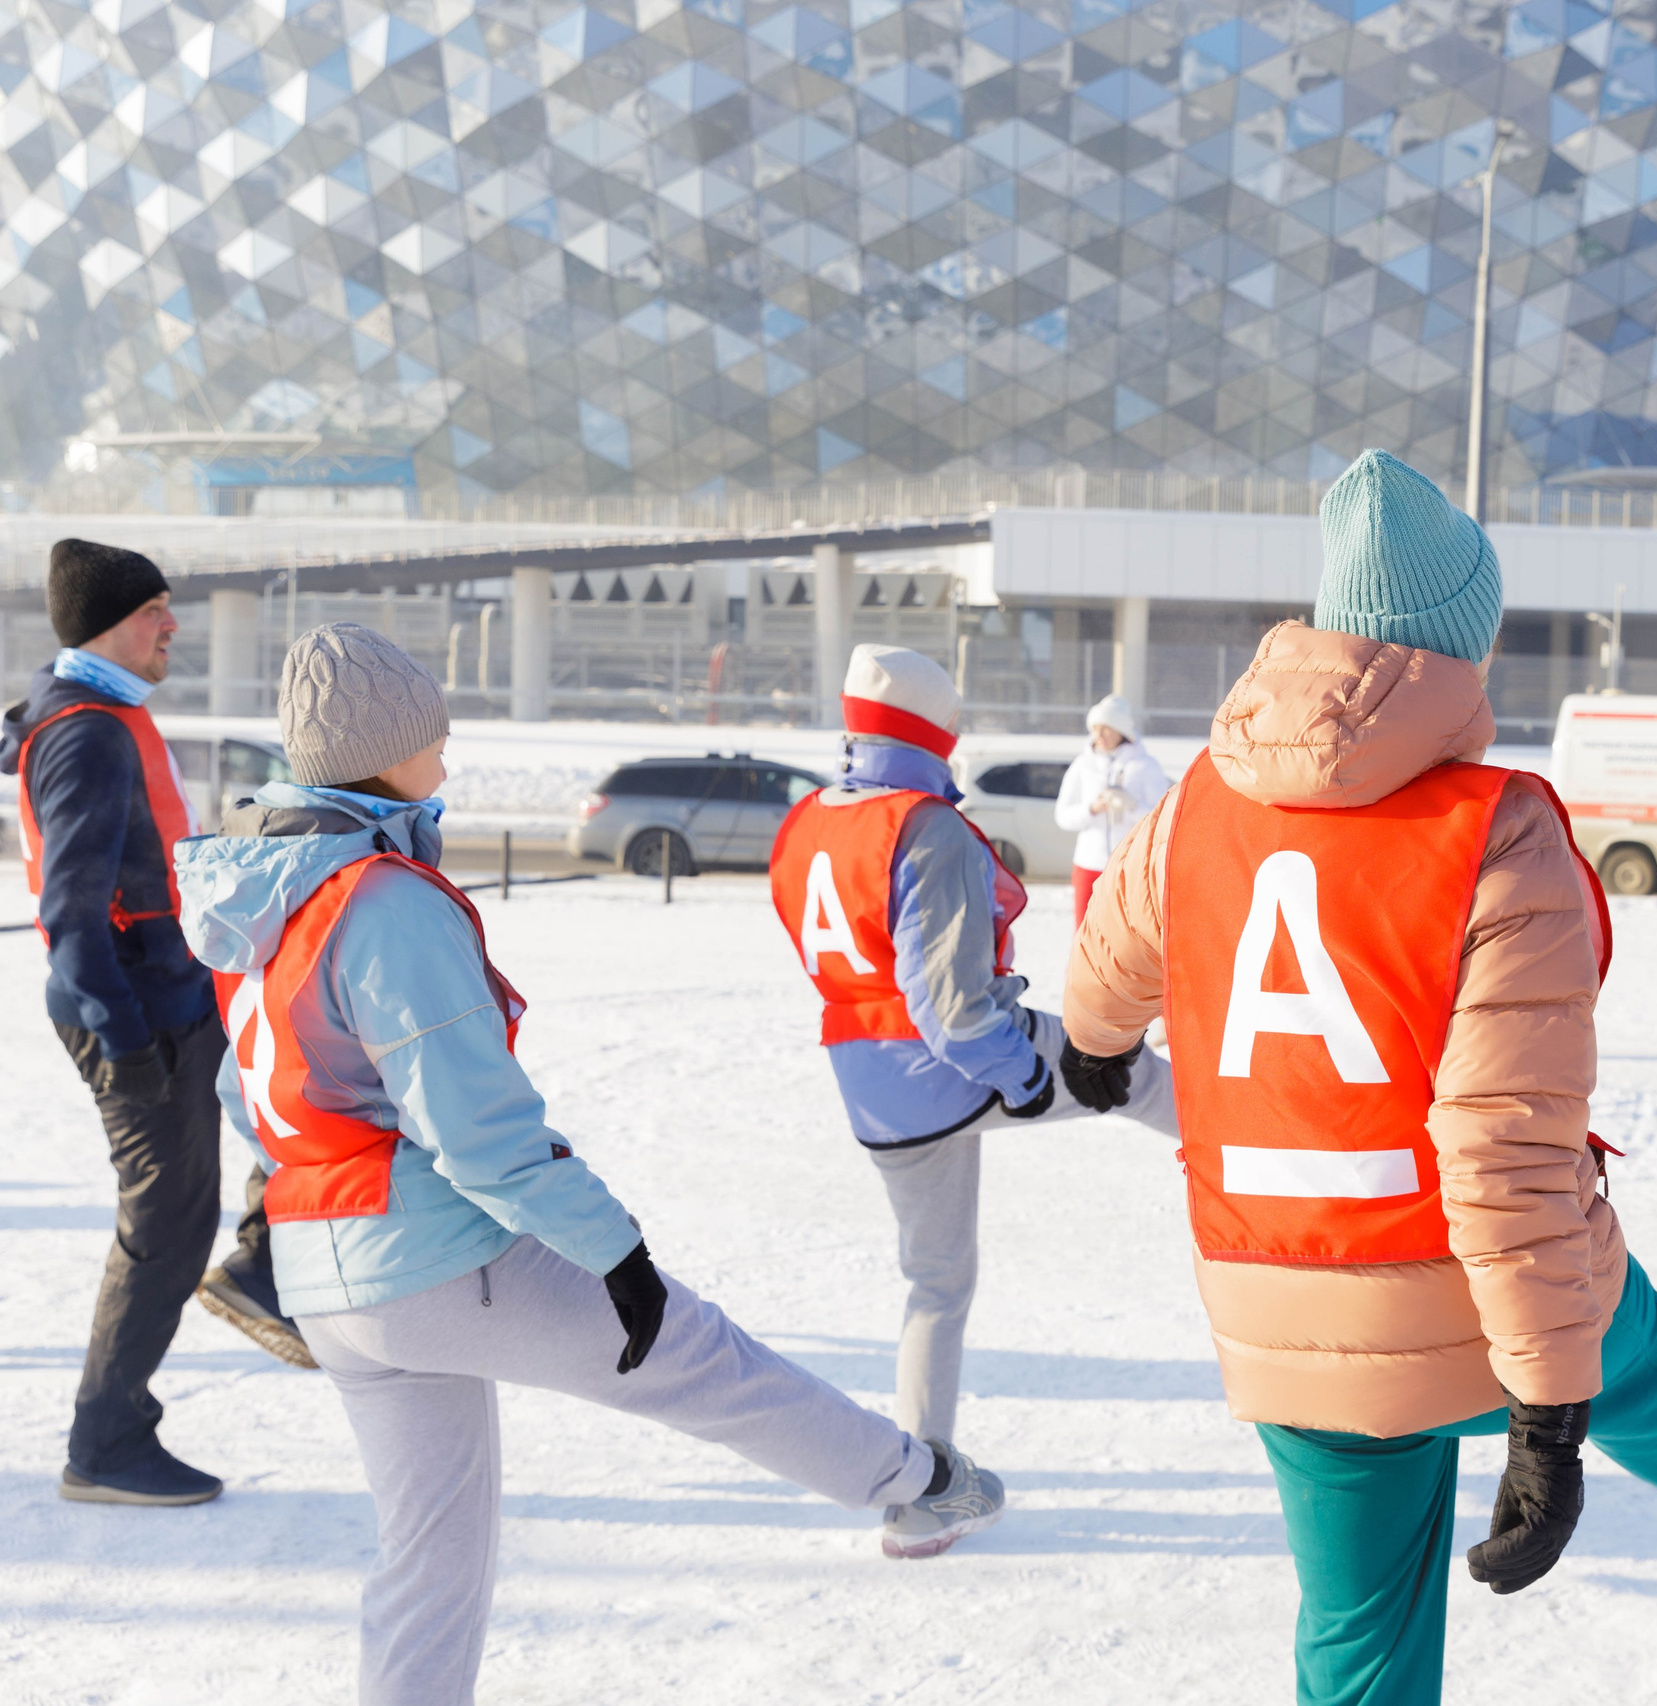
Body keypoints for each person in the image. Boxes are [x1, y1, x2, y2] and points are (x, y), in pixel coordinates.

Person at [1058, 450, 1657, 1706]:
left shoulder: (1196, 802)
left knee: (1358, 1642)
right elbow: (1501, 1152)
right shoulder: (1497, 832)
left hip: (1278, 1295)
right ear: (1462, 647)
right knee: (1621, 1343)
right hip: (1469, 1297)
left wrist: (1095, 1050)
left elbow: (1105, 967)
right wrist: (1545, 1423)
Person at [176, 624, 996, 1701]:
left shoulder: (265, 901)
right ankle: (914, 1477)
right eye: (436, 737)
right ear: (385, 751)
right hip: (433, 1253)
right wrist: (617, 1252)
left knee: (431, 1559)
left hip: (329, 1273)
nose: (449, 759)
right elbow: (482, 1134)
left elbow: (247, 1092)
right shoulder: (381, 901)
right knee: (696, 1353)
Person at [769, 643, 1180, 1558]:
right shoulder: (926, 828)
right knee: (1124, 1064)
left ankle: (923, 1498)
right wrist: (1031, 1077)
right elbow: (951, 1010)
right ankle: (1242, 1154)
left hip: (869, 1084)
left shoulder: (807, 820)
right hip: (949, 1062)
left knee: (936, 1284)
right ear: (933, 732)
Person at [1, 539, 305, 1509]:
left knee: (294, 1089)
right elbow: (69, 909)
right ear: (106, 623)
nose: (173, 622)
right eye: (154, 609)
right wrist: (124, 1041)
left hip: (170, 990)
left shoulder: (108, 713)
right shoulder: (86, 733)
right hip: (135, 1007)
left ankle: (261, 1266)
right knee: (165, 1221)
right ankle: (107, 1440)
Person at [1053, 693, 1169, 926]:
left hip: (1130, 867)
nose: (1099, 735)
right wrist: (1092, 809)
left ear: (1122, 731)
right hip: (1088, 864)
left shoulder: (1146, 766)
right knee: (1084, 931)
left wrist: (1131, 806)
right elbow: (1062, 816)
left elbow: (1162, 819)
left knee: (1124, 935)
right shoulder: (1082, 766)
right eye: (1095, 728)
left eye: (1106, 729)